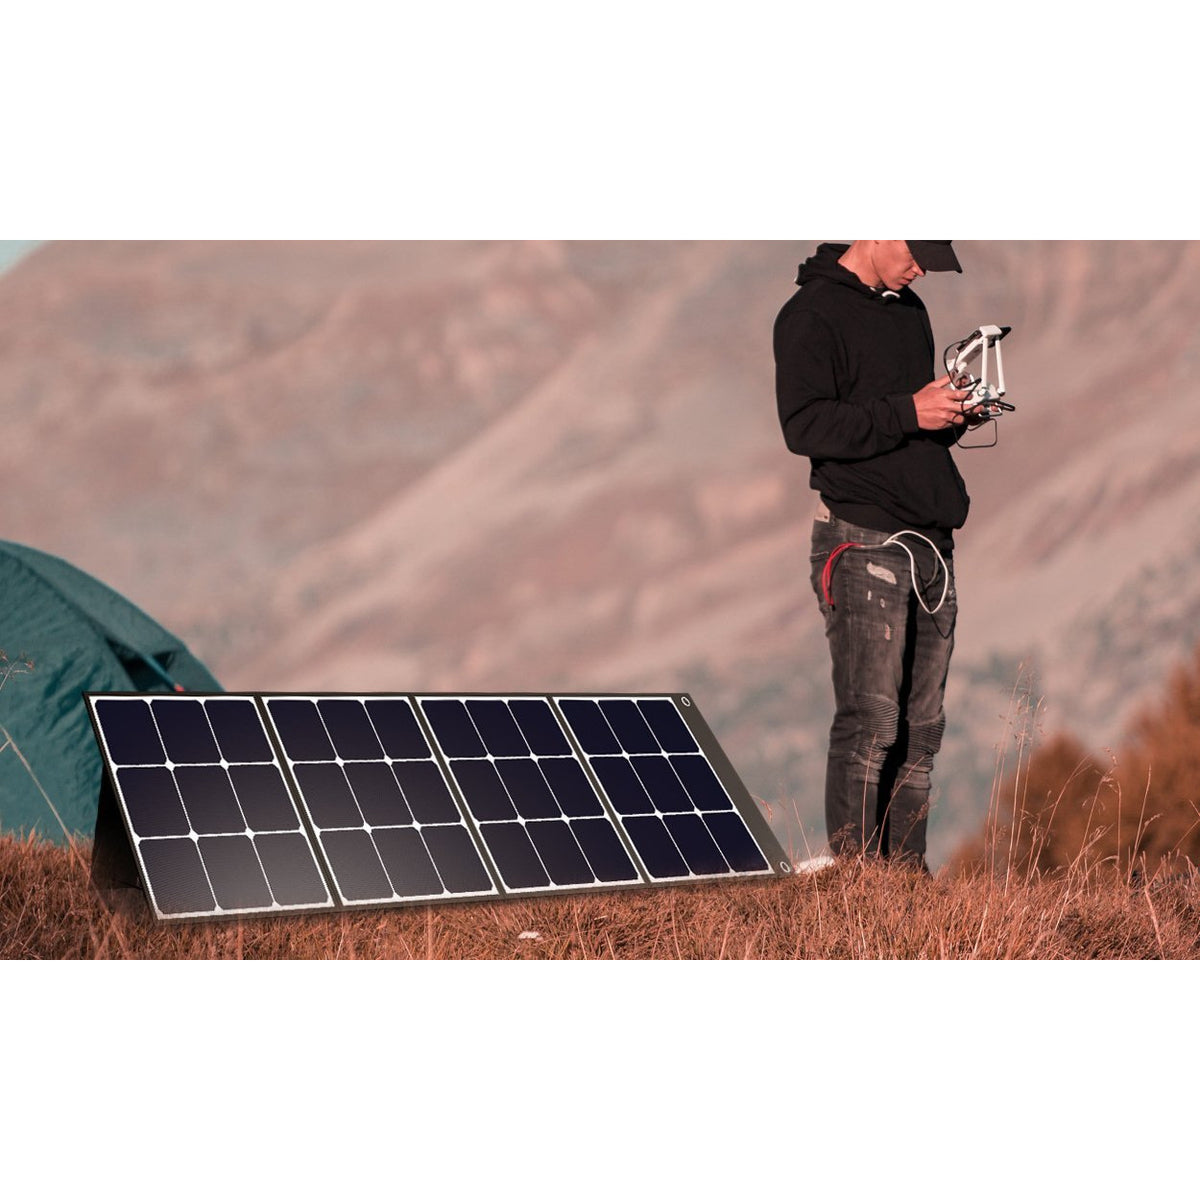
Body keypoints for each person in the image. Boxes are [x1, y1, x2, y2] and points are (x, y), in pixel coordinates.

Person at [774, 240, 977, 872]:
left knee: (924, 728)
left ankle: (905, 883)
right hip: (861, 539)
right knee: (871, 724)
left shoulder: (909, 311)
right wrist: (908, 410)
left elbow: (904, 425)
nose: (921, 270)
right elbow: (804, 427)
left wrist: (948, 415)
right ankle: (859, 886)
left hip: (931, 543)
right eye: (918, 254)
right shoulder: (810, 315)